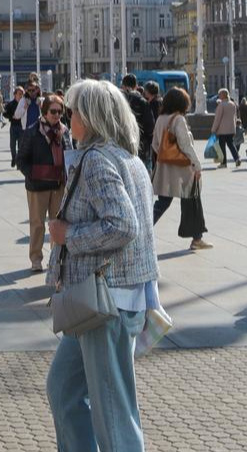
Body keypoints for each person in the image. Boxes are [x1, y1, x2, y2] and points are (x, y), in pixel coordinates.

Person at [45, 78, 157, 452]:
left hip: (105, 303)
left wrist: (68, 235)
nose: (68, 119)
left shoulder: (97, 161)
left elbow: (124, 226)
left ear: (90, 119)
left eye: (73, 112)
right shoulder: (130, 159)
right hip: (98, 301)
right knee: (63, 389)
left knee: (112, 411)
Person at [15, 93, 69, 272]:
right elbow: (21, 158)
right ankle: (36, 259)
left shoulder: (64, 131)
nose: (57, 115)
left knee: (57, 224)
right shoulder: (33, 131)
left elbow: (70, 155)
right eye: (53, 111)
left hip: (58, 185)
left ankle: (55, 258)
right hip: (37, 186)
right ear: (45, 112)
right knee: (37, 224)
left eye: (60, 112)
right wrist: (32, 173)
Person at [150, 87, 208, 250]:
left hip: (164, 169)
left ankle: (143, 229)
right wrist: (196, 165)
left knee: (162, 203)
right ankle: (196, 239)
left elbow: (155, 144)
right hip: (182, 169)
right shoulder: (179, 119)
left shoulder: (161, 118)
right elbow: (185, 145)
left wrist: (167, 156)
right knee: (192, 199)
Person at [121, 74, 155, 167]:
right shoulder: (143, 102)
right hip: (142, 147)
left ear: (123, 86)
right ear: (136, 86)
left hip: (122, 148)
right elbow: (150, 127)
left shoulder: (118, 102)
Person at [212, 89, 239, 168]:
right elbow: (235, 117)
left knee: (222, 146)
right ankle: (237, 159)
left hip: (222, 130)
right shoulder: (232, 104)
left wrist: (213, 129)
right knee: (231, 144)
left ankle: (224, 163)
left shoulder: (221, 105)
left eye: (219, 94)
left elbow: (218, 118)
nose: (219, 96)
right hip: (231, 129)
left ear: (223, 95)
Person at [7, 87, 28, 166]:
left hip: (21, 126)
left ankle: (18, 160)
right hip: (13, 126)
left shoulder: (24, 103)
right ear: (15, 95)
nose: (21, 96)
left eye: (22, 94)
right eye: (19, 94)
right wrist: (11, 116)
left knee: (20, 145)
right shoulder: (11, 104)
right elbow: (5, 113)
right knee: (12, 144)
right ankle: (14, 158)